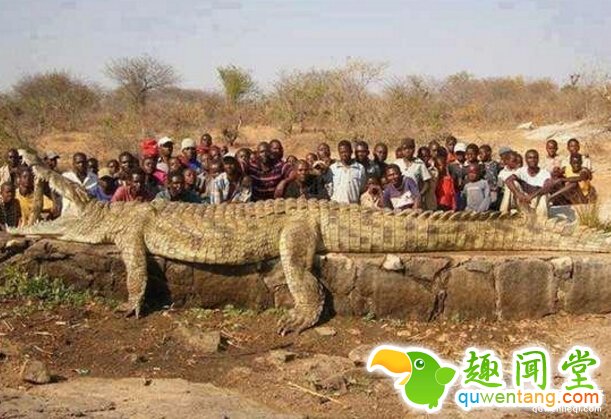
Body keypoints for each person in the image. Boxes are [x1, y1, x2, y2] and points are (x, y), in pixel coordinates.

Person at [505, 150, 551, 216]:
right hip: (524, 200)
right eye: (530, 158)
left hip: (537, 201)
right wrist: (518, 194)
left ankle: (541, 219)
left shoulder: (545, 173)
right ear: (526, 160)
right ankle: (504, 213)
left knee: (544, 195)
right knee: (513, 184)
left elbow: (547, 187)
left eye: (535, 158)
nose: (532, 160)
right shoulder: (521, 170)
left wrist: (532, 196)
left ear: (538, 159)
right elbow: (508, 180)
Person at [395, 138, 432, 206]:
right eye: (405, 149)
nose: (407, 151)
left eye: (410, 148)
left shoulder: (419, 163)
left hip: (414, 200)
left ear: (414, 149)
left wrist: (419, 195)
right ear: (402, 150)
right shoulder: (397, 164)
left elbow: (427, 183)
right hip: (399, 199)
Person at [479, 144, 501, 210]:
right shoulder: (480, 165)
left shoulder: (495, 164)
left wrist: (498, 187)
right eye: (479, 153)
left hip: (494, 190)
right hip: (484, 191)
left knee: (493, 205)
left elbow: (499, 176)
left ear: (489, 153)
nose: (480, 155)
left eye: (481, 153)